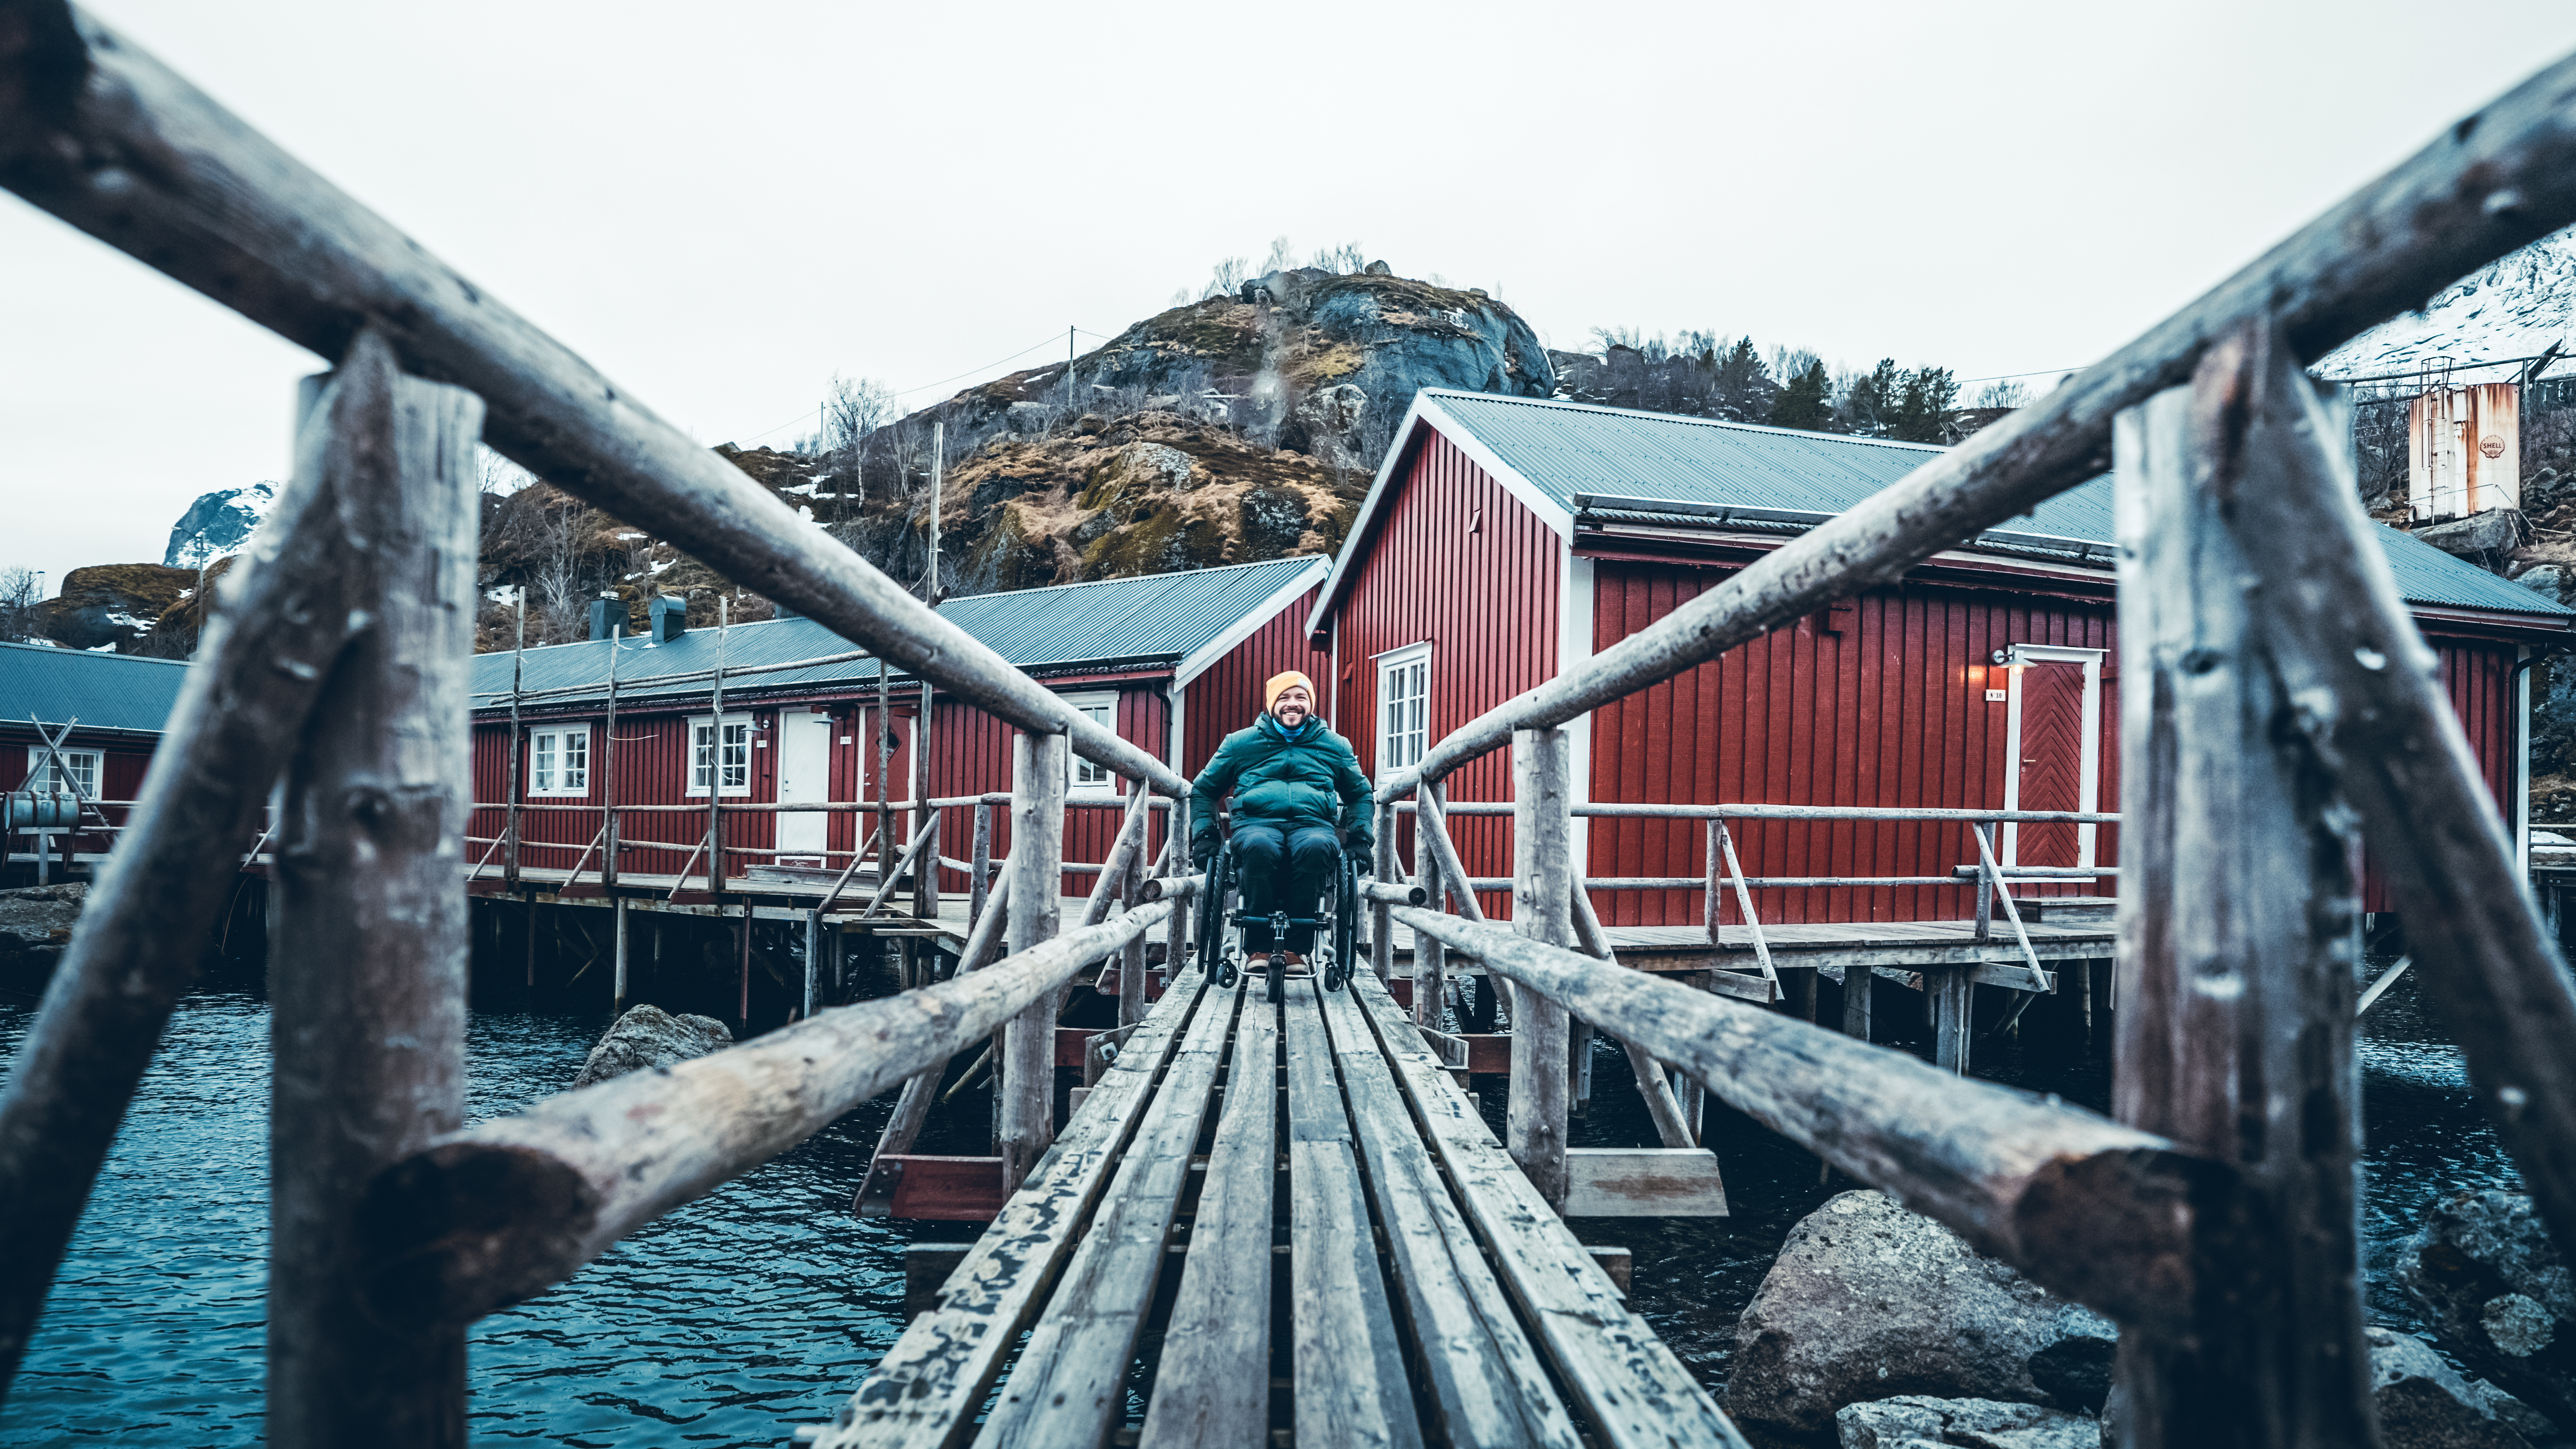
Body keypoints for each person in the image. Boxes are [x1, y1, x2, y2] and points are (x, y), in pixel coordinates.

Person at [1188, 670, 1373, 977]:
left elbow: (1361, 794)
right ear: (1273, 703)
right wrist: (1206, 834)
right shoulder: (1240, 743)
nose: (1293, 704)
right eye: (1285, 697)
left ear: (1310, 704)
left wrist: (1359, 838)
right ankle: (1258, 947)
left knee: (1317, 848)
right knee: (1259, 848)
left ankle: (1296, 950)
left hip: (1313, 825)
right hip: (1257, 823)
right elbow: (1204, 790)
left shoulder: (1335, 745)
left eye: (1301, 698)